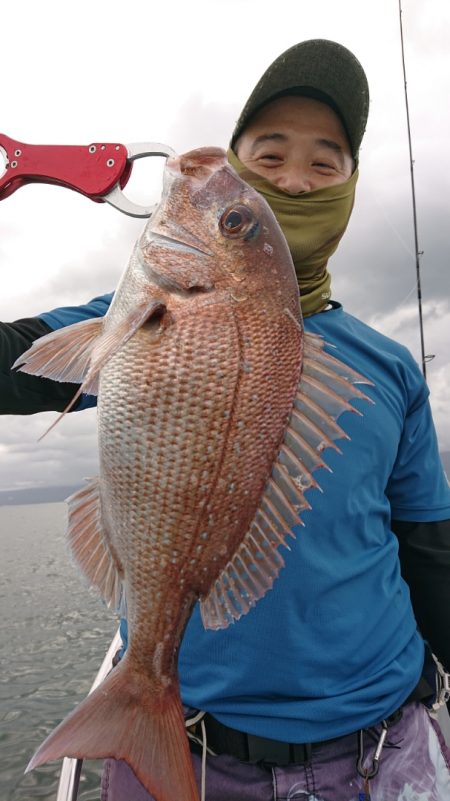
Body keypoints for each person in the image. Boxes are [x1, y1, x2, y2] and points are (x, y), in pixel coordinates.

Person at [2, 39, 450, 801]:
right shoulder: (139, 320)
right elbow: (13, 363)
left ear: (350, 184)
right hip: (195, 747)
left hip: (381, 744)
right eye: (269, 155)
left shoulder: (389, 367)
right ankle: (143, 691)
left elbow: (429, 546)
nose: (295, 178)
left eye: (325, 161)